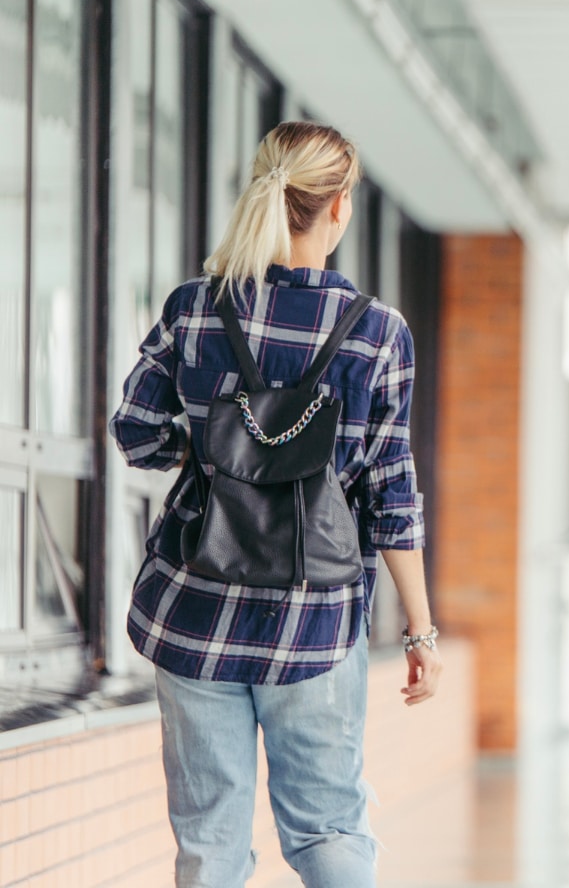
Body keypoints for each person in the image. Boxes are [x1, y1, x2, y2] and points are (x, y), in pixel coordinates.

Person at [110, 121, 440, 888]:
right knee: (328, 828)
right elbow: (392, 492)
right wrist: (420, 628)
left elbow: (135, 430)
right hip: (314, 617)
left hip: (195, 607)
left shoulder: (196, 307)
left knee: (209, 842)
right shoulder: (377, 334)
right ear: (339, 207)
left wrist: (212, 453)